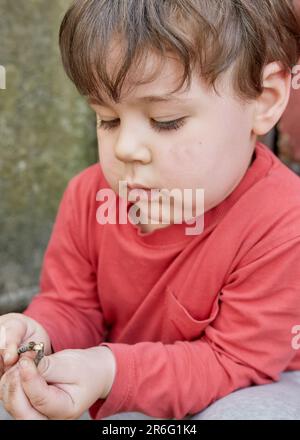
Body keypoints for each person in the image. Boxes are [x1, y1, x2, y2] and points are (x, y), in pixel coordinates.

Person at [1, 0, 300, 421]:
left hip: (249, 381)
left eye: (165, 120)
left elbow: (233, 362)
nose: (125, 148)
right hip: (122, 380)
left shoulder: (284, 222)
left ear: (264, 100)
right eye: (107, 119)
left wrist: (110, 370)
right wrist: (39, 336)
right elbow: (72, 306)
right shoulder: (90, 196)